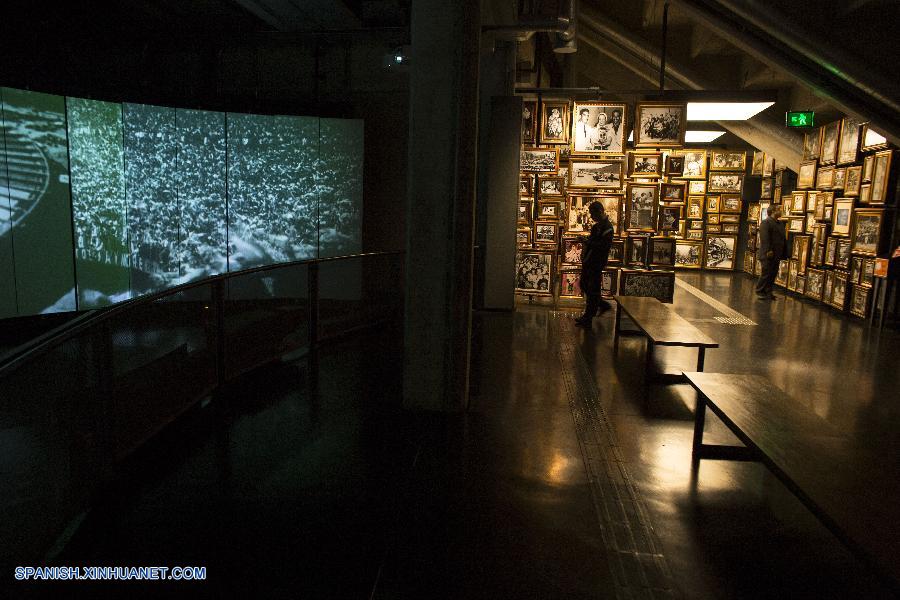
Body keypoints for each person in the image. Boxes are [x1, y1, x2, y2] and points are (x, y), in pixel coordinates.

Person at [575, 202, 615, 327]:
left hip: (597, 262)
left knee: (592, 289)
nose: (591, 217)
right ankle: (601, 305)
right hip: (589, 260)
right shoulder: (597, 226)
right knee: (584, 284)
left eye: (593, 214)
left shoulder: (607, 228)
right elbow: (593, 241)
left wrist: (587, 242)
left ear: (599, 212)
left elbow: (603, 247)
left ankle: (588, 317)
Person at [756, 205, 786, 300]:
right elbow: (765, 238)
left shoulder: (780, 223)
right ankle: (760, 290)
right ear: (773, 211)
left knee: (773, 273)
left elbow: (782, 238)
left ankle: (768, 292)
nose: (781, 211)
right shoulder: (766, 223)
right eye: (779, 210)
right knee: (766, 273)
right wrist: (768, 250)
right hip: (768, 253)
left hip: (777, 253)